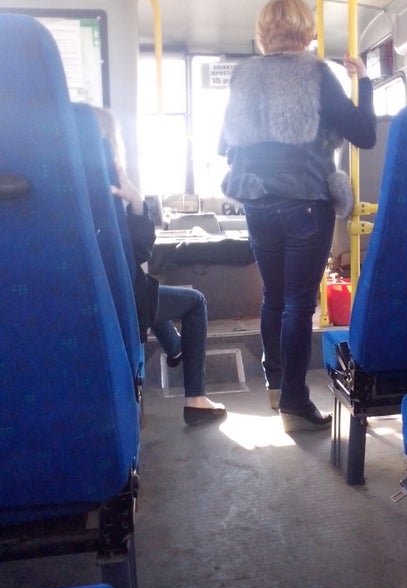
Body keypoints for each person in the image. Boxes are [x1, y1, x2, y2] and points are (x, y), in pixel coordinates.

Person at [219, 0, 376, 432]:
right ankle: (294, 401)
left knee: (273, 296)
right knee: (298, 304)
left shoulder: (244, 75)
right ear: (306, 31)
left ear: (264, 32)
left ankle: (275, 384)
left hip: (257, 202)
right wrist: (363, 81)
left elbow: (225, 143)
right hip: (306, 201)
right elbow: (364, 134)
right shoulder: (317, 74)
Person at [93, 107, 226, 425]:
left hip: (93, 295)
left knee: (149, 289)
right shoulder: (108, 187)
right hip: (122, 299)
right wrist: (137, 202)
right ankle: (196, 399)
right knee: (194, 301)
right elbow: (138, 252)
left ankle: (176, 348)